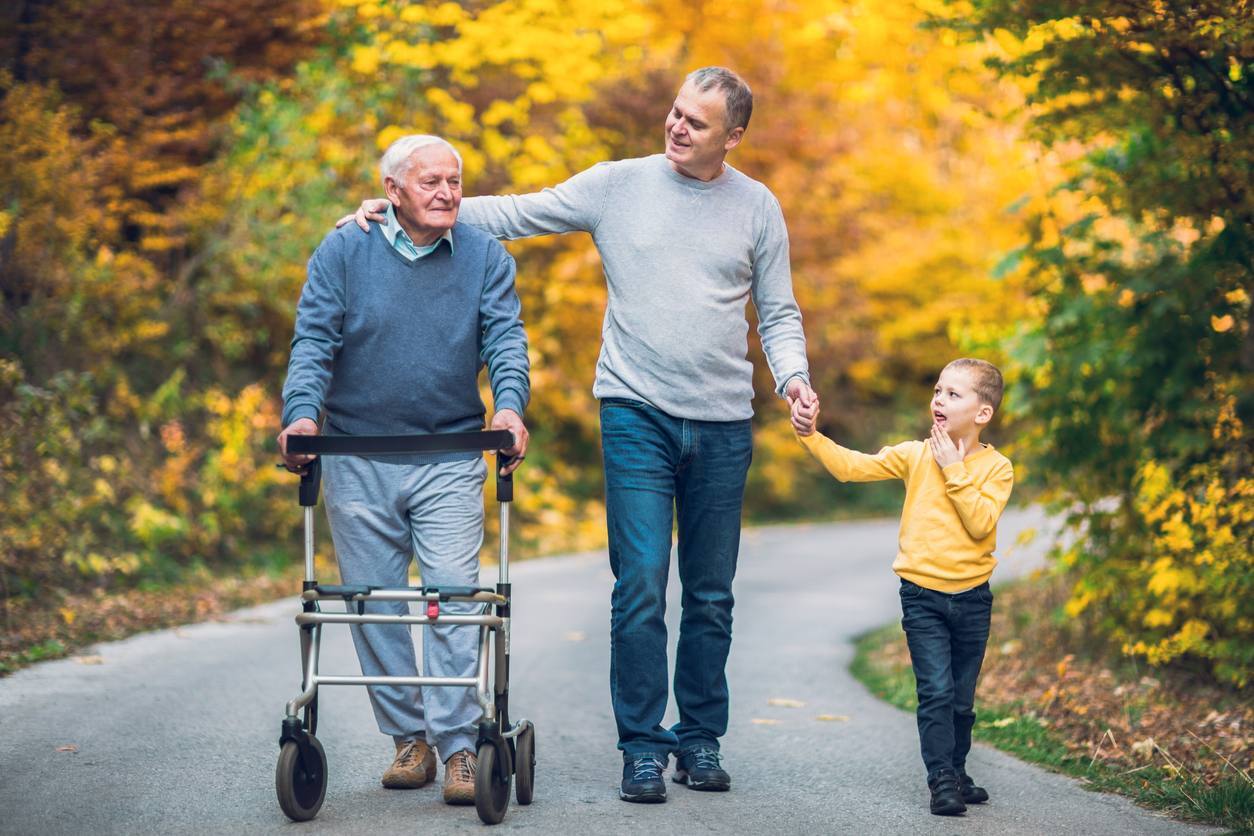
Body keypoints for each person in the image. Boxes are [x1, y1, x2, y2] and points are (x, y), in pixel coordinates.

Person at [341, 66, 817, 803]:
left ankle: (699, 739)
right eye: (675, 112)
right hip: (634, 411)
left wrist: (793, 378)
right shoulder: (618, 184)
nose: (677, 126)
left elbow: (778, 312)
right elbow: (515, 214)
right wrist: (405, 206)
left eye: (696, 121)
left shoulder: (757, 207)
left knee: (712, 594)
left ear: (734, 135)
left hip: (724, 421)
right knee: (638, 588)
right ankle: (643, 749)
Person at [278, 134, 530, 807]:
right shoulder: (344, 249)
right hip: (356, 453)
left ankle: (457, 751)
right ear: (393, 191)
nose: (448, 193)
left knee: (451, 597)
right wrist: (302, 414)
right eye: (431, 182)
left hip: (449, 454)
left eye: (455, 180)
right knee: (374, 603)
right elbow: (314, 339)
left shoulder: (483, 256)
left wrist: (508, 407)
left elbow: (505, 338)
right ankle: (408, 740)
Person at [791, 358, 1014, 817]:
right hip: (921, 596)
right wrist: (811, 435)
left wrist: (955, 469)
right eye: (937, 391)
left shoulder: (998, 469)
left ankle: (956, 769)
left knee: (962, 698)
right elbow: (853, 467)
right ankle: (941, 782)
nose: (939, 400)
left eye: (953, 394)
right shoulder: (915, 455)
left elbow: (980, 523)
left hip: (972, 598)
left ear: (982, 413)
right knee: (935, 692)